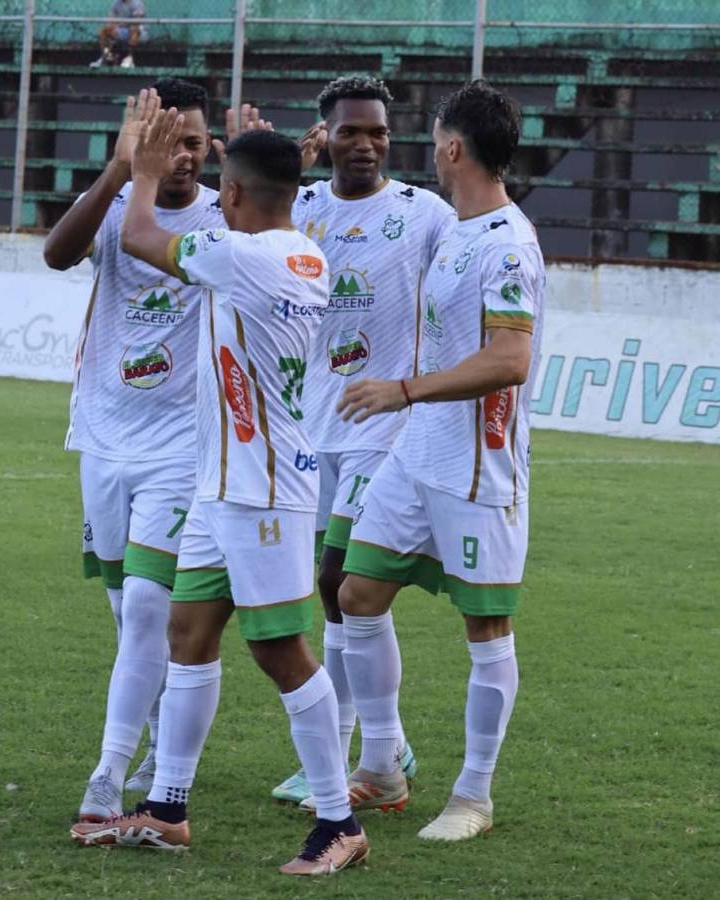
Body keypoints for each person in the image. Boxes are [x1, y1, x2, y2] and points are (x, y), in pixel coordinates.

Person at [71, 116, 370, 876]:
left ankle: (338, 822)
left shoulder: (245, 257)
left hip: (263, 491)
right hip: (223, 484)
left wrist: (138, 169)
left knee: (279, 649)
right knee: (189, 630)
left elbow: (139, 237)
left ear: (230, 194)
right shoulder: (298, 251)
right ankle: (168, 807)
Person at [334, 79, 545, 842]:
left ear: (453, 148)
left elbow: (511, 359)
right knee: (357, 594)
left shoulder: (509, 246)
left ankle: (473, 797)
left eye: (433, 138)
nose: (429, 148)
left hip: (477, 468)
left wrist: (405, 389)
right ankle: (384, 764)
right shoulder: (455, 228)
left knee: (487, 629)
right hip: (417, 457)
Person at [43, 79, 224, 822]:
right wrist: (122, 169)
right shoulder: (118, 207)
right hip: (105, 438)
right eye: (168, 141)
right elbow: (57, 254)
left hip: (182, 447)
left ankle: (108, 775)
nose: (182, 156)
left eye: (194, 142)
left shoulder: (224, 218)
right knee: (127, 612)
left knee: (151, 606)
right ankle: (153, 738)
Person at [271, 75, 454, 810]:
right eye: (350, 131)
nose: (367, 144)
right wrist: (289, 160)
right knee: (327, 589)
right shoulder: (300, 209)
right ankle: (377, 744)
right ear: (327, 135)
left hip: (389, 424)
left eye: (377, 131)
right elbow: (229, 221)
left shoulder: (422, 213)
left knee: (341, 579)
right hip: (315, 423)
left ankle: (375, 753)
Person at [90, 0, 147, 69]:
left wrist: (118, 24)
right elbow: (111, 20)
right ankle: (107, 56)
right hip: (123, 30)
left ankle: (129, 59)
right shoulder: (116, 3)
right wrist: (114, 26)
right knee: (104, 31)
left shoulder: (137, 3)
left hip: (140, 33)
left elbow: (136, 22)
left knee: (134, 29)